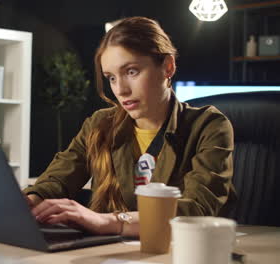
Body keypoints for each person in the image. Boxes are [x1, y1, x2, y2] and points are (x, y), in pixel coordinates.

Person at [23, 16, 236, 237]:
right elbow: (57, 180)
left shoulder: (209, 126)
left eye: (131, 71)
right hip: (111, 252)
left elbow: (196, 211)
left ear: (168, 67)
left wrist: (110, 221)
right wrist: (29, 201)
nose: (121, 90)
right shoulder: (99, 124)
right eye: (111, 78)